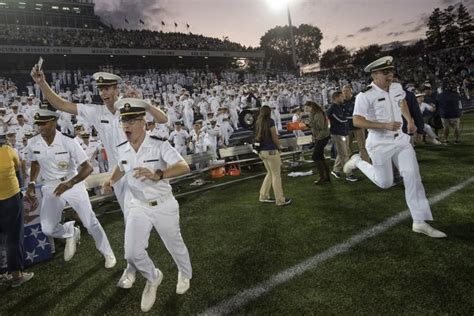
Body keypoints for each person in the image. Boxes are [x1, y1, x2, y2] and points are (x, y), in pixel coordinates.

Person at [30, 66, 168, 287]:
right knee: (131, 222)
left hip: (142, 171)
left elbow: (163, 120)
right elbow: (62, 105)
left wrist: (145, 102)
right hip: (120, 176)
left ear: (116, 89)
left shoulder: (130, 105)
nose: (103, 93)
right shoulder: (96, 112)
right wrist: (42, 83)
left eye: (107, 88)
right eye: (100, 89)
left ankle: (137, 268)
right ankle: (133, 269)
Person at [103, 99, 192, 312]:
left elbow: (183, 166)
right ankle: (153, 277)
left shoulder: (159, 143)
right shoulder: (122, 148)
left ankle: (185, 274)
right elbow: (121, 166)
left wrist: (158, 174)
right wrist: (111, 180)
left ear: (143, 122)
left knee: (174, 244)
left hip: (163, 204)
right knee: (132, 253)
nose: (127, 126)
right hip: (137, 205)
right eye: (124, 121)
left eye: (132, 120)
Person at [343, 56, 447, 238]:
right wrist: (384, 125)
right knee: (385, 183)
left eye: (391, 71)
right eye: (385, 73)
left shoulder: (397, 88)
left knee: (413, 176)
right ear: (374, 75)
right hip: (379, 143)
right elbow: (357, 120)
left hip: (401, 140)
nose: (390, 76)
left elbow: (402, 102)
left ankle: (419, 222)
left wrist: (409, 120)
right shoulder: (365, 95)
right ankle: (357, 161)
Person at [25, 109, 117, 265]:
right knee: (48, 228)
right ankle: (70, 231)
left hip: (72, 182)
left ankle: (107, 253)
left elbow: (87, 167)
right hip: (50, 185)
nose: (40, 127)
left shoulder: (68, 141)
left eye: (44, 123)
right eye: (38, 124)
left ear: (54, 122)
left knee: (90, 221)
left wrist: (70, 183)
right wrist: (32, 182)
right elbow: (34, 162)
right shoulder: (33, 142)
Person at [0, 131, 34, 287]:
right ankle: (16, 275)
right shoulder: (7, 151)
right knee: (14, 237)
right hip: (11, 198)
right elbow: (17, 166)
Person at [254, 105, 291, 206]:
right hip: (271, 150)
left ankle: (263, 195)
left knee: (269, 173)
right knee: (276, 175)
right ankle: (280, 200)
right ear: (269, 112)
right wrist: (279, 147)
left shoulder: (258, 121)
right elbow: (274, 136)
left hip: (262, 151)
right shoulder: (270, 121)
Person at [327, 91, 357, 182]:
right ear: (336, 97)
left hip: (344, 132)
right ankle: (349, 174)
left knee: (344, 152)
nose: (343, 98)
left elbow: (344, 117)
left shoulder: (340, 107)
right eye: (341, 96)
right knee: (344, 154)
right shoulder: (332, 109)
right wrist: (353, 118)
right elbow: (341, 119)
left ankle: (336, 169)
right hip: (337, 134)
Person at [305, 101, 331, 185]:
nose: (306, 109)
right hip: (319, 137)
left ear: (312, 107)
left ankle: (322, 177)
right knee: (320, 156)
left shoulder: (318, 114)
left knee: (316, 156)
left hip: (322, 136)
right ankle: (326, 176)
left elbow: (320, 126)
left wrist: (310, 124)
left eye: (307, 107)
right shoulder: (313, 114)